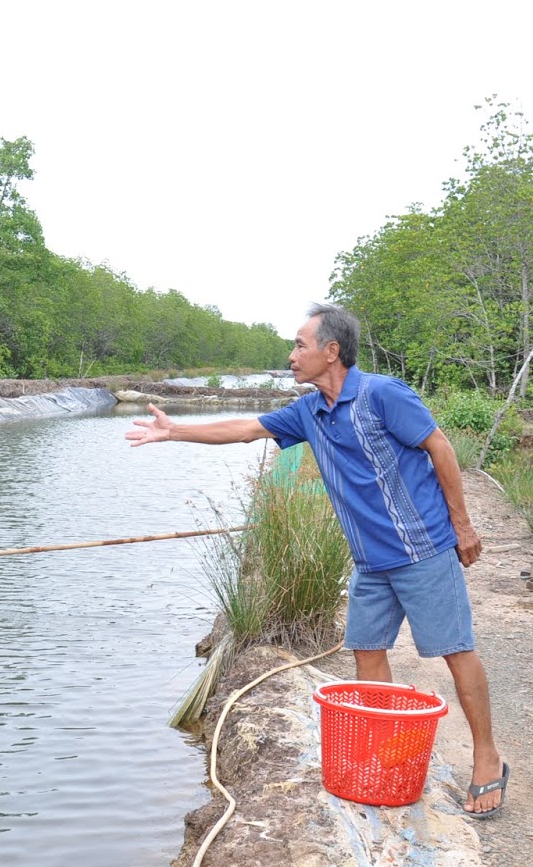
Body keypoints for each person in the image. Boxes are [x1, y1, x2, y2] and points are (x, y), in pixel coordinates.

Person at [125, 302, 508, 817]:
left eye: (300, 345)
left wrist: (462, 525)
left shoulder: (383, 395)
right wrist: (175, 432)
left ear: (332, 351)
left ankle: (488, 757)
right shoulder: (308, 412)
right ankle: (389, 749)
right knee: (367, 651)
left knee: (453, 649)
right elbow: (246, 428)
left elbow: (440, 448)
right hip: (370, 562)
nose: (291, 355)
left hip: (422, 549)